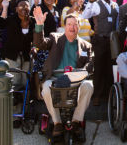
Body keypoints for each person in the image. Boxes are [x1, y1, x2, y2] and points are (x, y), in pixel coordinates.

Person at [33, 10, 94, 141]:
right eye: (69, 24)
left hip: (75, 79)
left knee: (88, 85)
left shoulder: (86, 45)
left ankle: (76, 121)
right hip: (55, 79)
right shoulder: (55, 38)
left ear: (79, 27)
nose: (72, 27)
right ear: (64, 26)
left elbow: (90, 64)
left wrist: (79, 73)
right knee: (46, 87)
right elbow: (39, 44)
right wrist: (39, 25)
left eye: (75, 24)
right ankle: (57, 123)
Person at [81, 0, 118, 106]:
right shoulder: (96, 4)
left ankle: (108, 94)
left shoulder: (115, 5)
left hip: (111, 42)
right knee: (98, 68)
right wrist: (90, 3)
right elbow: (85, 16)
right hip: (100, 40)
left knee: (110, 68)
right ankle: (96, 95)